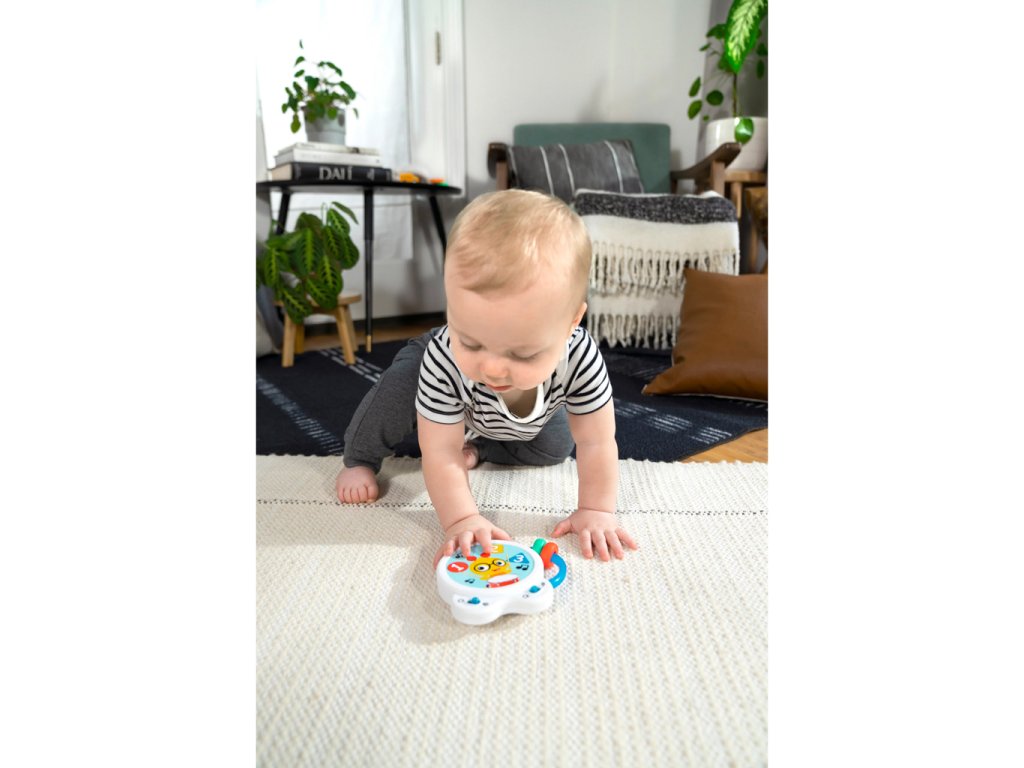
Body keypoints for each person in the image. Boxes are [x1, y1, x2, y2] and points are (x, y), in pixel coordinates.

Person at [335, 189, 638, 564]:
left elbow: (596, 440)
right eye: (472, 341)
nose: (492, 368)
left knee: (556, 447)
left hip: (523, 413)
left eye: (522, 353)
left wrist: (596, 509)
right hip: (446, 383)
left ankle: (480, 446)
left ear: (572, 322)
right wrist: (462, 519)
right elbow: (440, 453)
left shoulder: (580, 355)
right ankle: (360, 457)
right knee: (399, 388)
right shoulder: (444, 356)